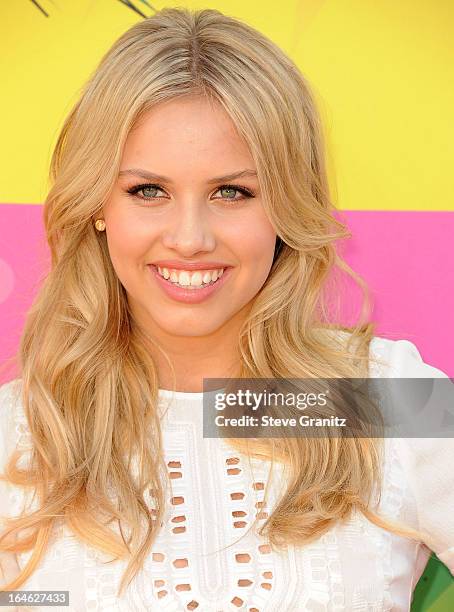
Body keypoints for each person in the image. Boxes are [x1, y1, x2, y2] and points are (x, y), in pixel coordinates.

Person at [0, 7, 453, 611]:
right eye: (149, 191)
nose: (190, 238)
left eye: (232, 192)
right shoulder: (20, 435)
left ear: (288, 205)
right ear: (98, 206)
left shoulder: (387, 397)